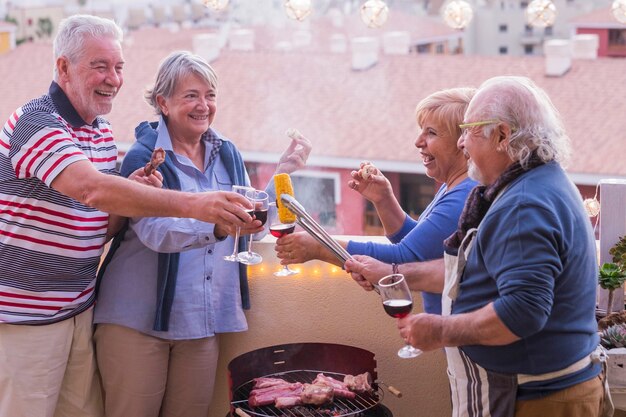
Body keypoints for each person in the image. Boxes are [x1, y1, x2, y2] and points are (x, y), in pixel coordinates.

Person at [0, 15, 257, 417]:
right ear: (64, 67)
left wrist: (132, 192)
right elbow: (91, 188)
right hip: (26, 317)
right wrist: (197, 205)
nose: (113, 79)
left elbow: (99, 224)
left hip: (79, 309)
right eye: (99, 66)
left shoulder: (101, 132)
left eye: (118, 67)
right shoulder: (35, 121)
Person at [346, 76, 609, 417]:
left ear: (502, 135)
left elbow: (523, 311)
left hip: (537, 397)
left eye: (468, 130)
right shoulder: (537, 182)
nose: (462, 143)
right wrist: (397, 274)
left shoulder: (524, 205)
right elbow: (474, 269)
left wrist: (441, 329)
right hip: (539, 388)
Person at [93, 50, 312, 417]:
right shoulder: (145, 156)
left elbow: (247, 226)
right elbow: (154, 232)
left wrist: (282, 174)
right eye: (191, 95)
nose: (203, 105)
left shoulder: (226, 152)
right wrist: (214, 225)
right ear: (163, 102)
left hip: (200, 321)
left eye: (210, 95)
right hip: (136, 322)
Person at [276, 87, 477, 314]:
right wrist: (384, 200)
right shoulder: (454, 186)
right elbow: (423, 246)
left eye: (431, 133)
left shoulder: (463, 196)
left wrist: (321, 248)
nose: (418, 142)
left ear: (462, 142)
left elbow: (406, 258)